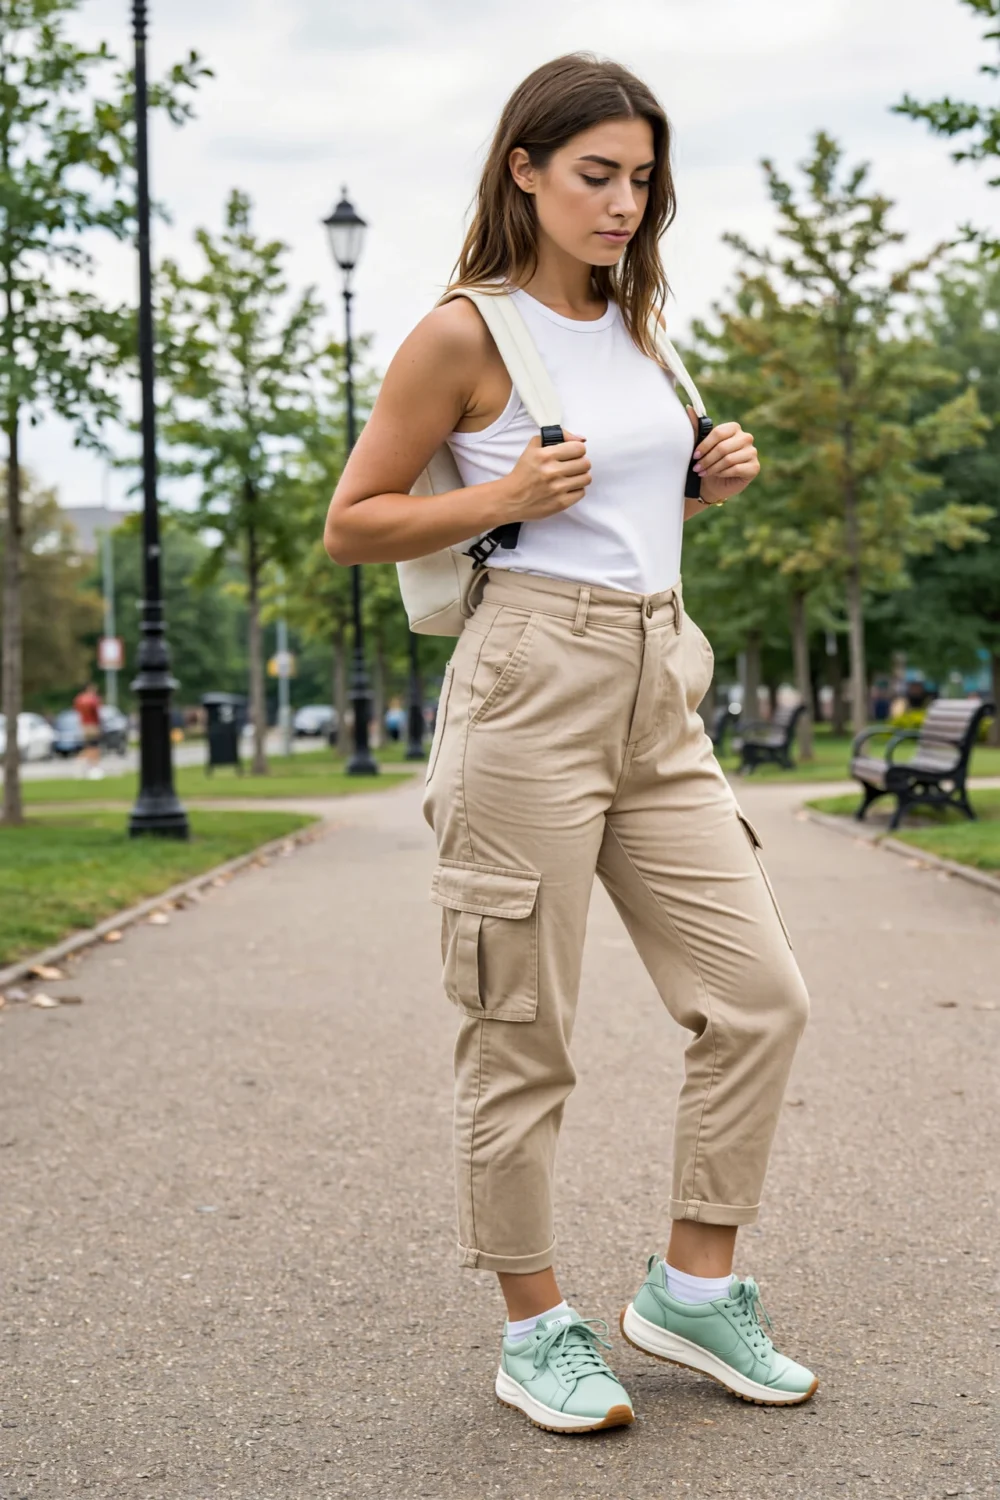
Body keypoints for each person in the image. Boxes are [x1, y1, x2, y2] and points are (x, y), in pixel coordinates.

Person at [324, 52, 816, 1433]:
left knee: (760, 997)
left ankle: (695, 1287)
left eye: (641, 179)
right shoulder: (462, 335)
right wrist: (506, 499)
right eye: (595, 174)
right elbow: (354, 519)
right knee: (521, 1031)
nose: (620, 203)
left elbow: (620, 513)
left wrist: (703, 483)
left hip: (658, 683)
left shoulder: (639, 320)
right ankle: (536, 1325)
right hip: (529, 688)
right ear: (524, 169)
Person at [73, 681, 103, 780]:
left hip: (84, 725)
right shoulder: (92, 700)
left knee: (88, 746)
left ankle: (82, 764)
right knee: (94, 746)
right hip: (92, 725)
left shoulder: (79, 699)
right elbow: (96, 712)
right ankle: (93, 767)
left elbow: (77, 710)